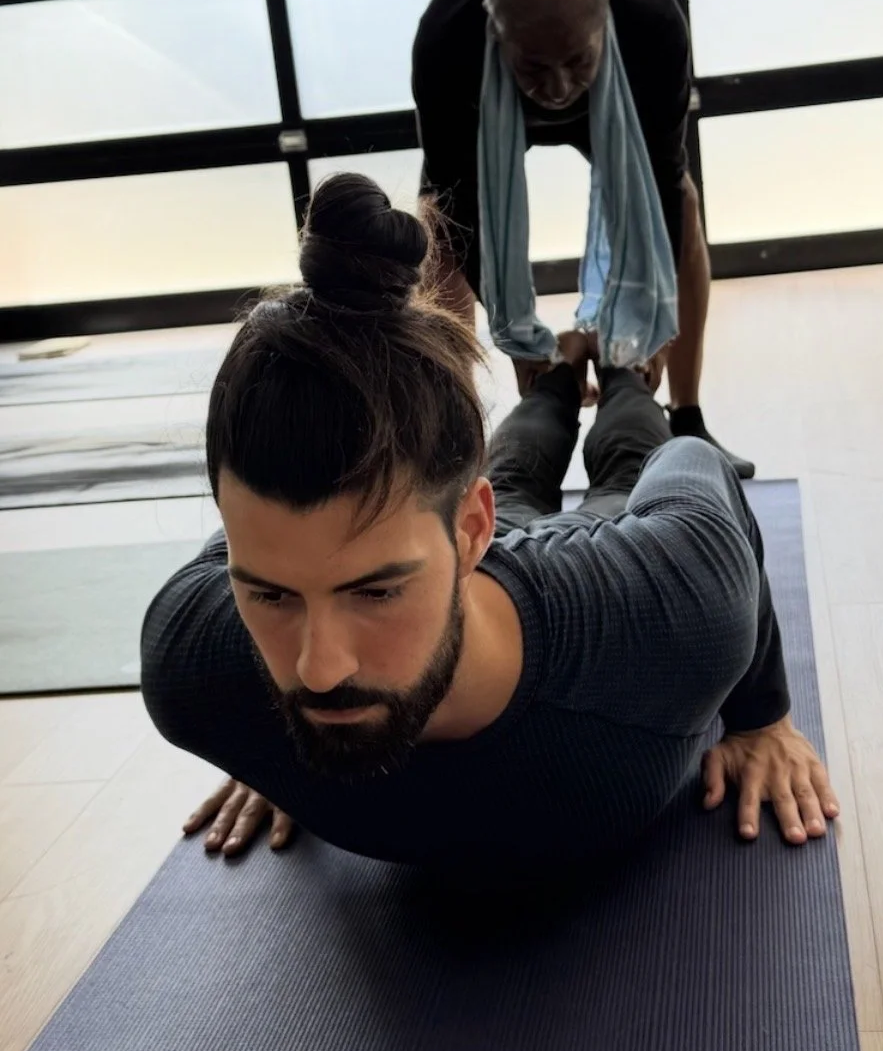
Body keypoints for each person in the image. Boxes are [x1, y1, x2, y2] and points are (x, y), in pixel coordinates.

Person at [140, 173, 837, 876]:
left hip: (570, 554)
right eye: (270, 596)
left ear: (472, 532)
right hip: (471, 542)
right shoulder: (194, 674)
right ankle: (562, 378)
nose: (318, 671)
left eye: (377, 592)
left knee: (628, 458)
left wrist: (760, 717)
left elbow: (694, 462)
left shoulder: (671, 607)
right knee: (512, 461)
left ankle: (621, 372)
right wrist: (263, 746)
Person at [411, 0, 755, 479]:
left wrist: (654, 329)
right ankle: (458, 446)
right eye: (535, 67)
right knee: (439, 236)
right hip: (487, 107)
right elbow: (458, 211)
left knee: (686, 203)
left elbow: (662, 188)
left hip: (617, 98)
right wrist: (519, 344)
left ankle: (687, 418)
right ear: (495, 30)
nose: (556, 87)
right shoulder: (447, 38)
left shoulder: (654, 27)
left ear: (605, 18)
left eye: (575, 60)